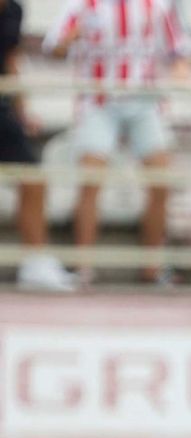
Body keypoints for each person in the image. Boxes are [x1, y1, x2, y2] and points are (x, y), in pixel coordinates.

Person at [45, 0, 189, 288]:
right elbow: (53, 47)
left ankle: (152, 266)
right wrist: (69, 40)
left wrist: (179, 76)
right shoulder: (83, 5)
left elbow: (179, 52)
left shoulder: (156, 5)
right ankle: (83, 267)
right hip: (98, 101)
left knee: (161, 180)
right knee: (90, 181)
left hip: (144, 103)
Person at [1, 0, 76, 291]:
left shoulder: (14, 11)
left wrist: (22, 111)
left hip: (2, 107)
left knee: (33, 179)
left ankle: (35, 262)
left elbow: (11, 59)